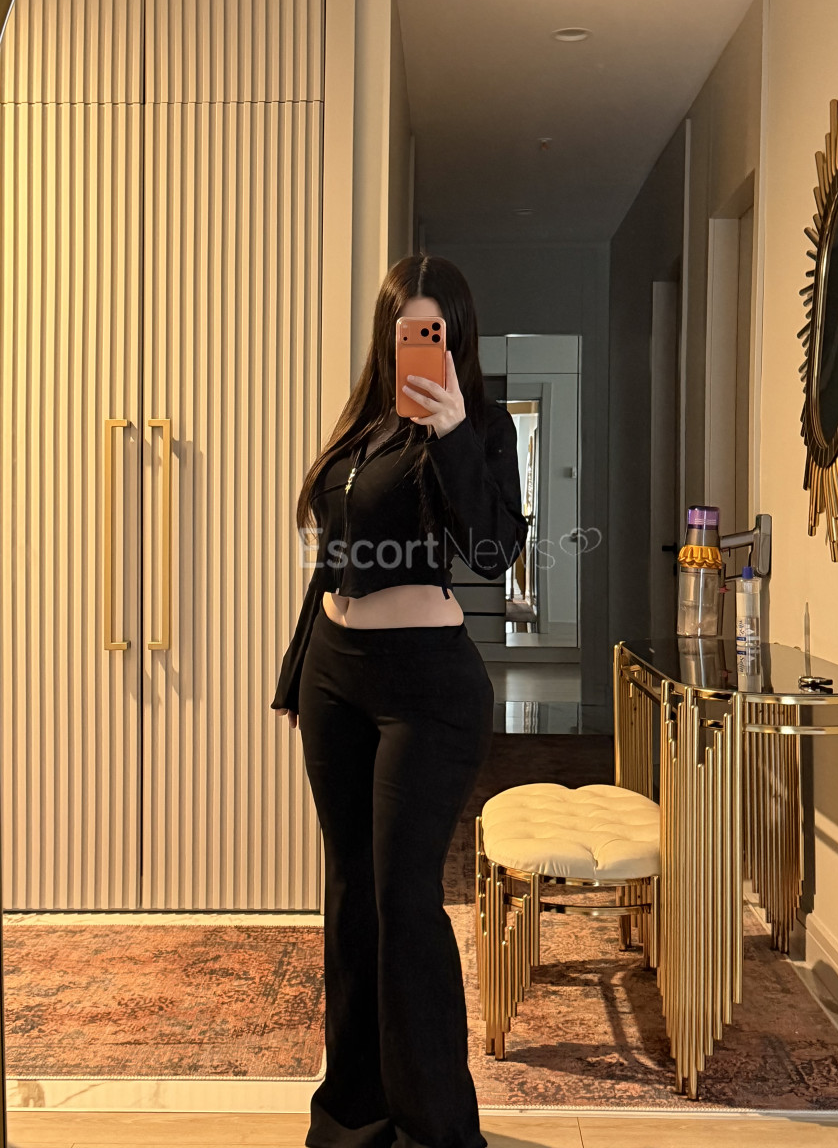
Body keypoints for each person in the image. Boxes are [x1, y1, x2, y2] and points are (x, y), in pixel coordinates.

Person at [272, 253, 528, 1148]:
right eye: (401, 329)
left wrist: (452, 431)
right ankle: (353, 1120)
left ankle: (434, 1131)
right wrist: (298, 671)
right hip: (335, 677)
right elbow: (333, 562)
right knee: (350, 895)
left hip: (427, 689)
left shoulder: (481, 425)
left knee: (404, 900)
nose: (414, 344)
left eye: (432, 330)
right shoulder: (363, 427)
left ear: (455, 338)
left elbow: (493, 552)